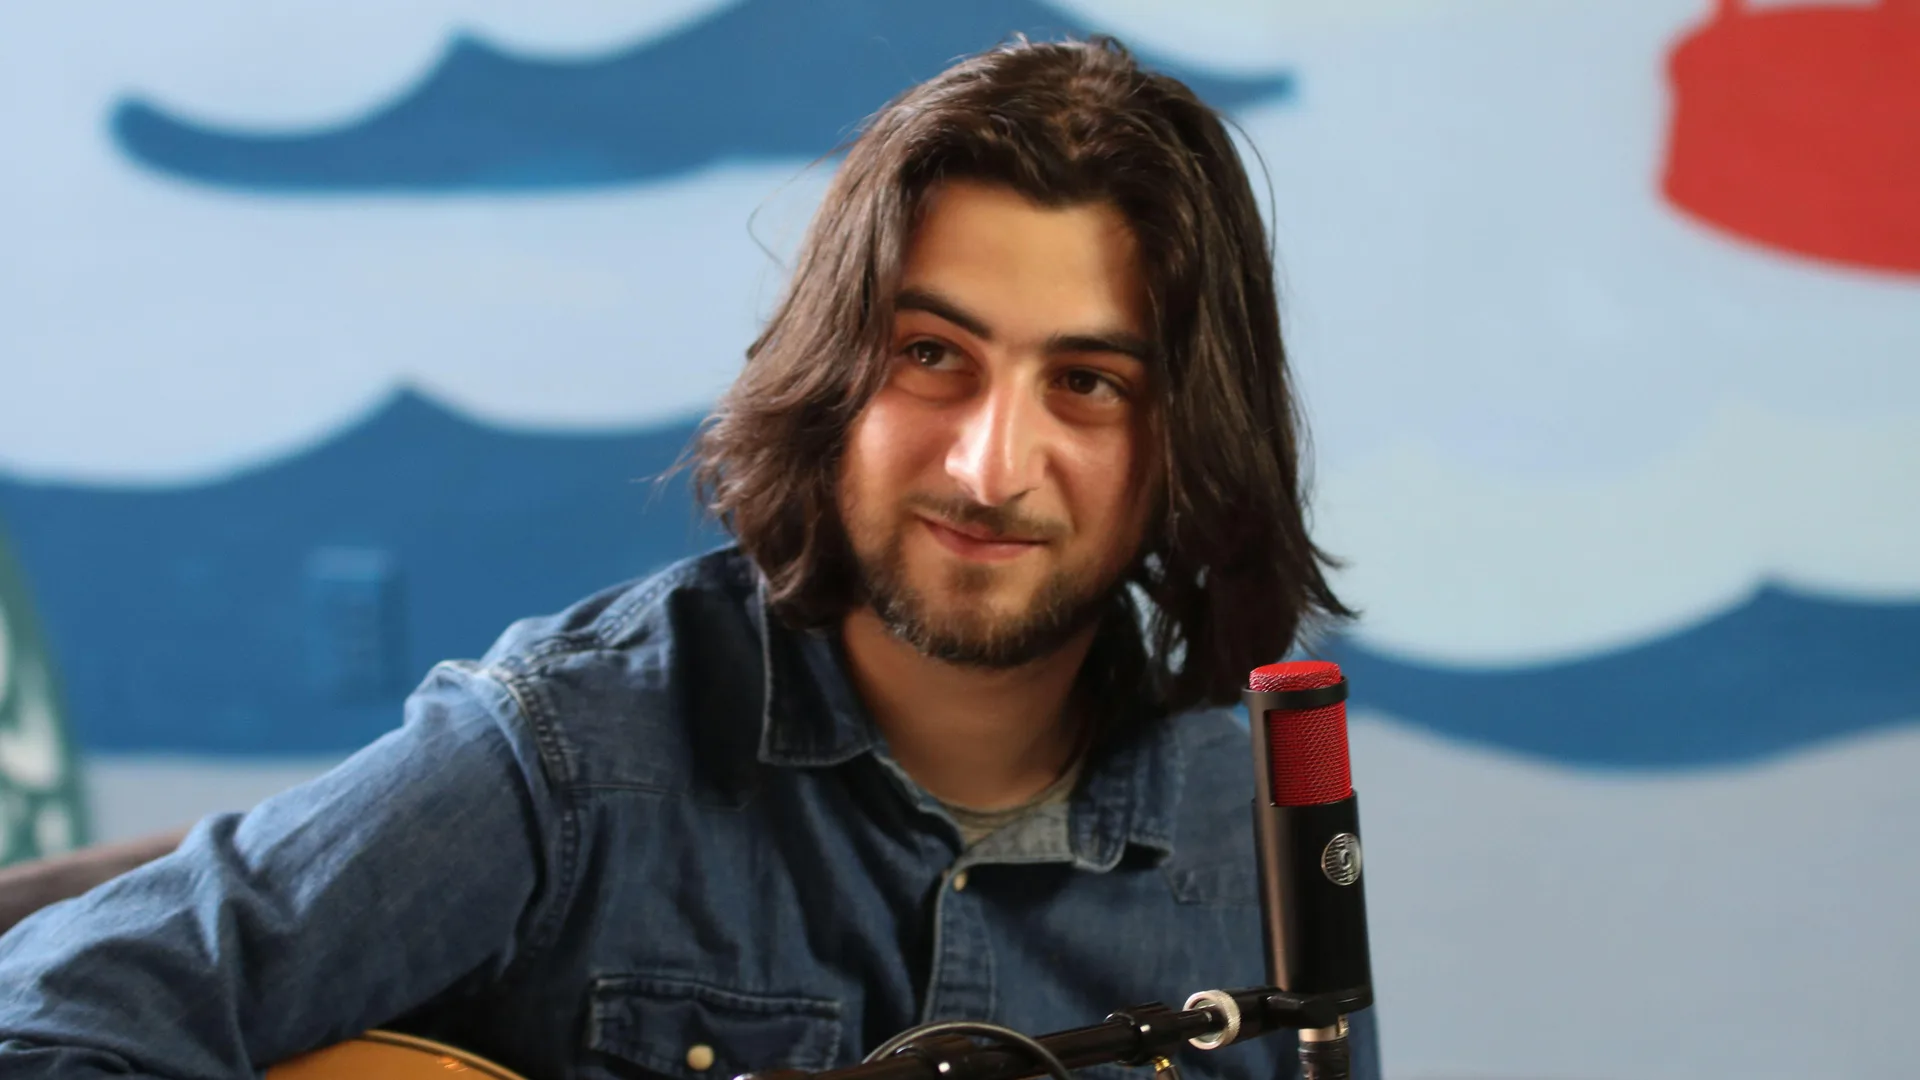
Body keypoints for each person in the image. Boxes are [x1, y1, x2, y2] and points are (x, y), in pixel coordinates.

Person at [0, 36, 1372, 1080]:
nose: (987, 464)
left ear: (1186, 437)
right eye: (932, 357)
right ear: (838, 376)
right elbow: (44, 1022)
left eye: (1087, 383)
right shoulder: (567, 757)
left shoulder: (1254, 833)